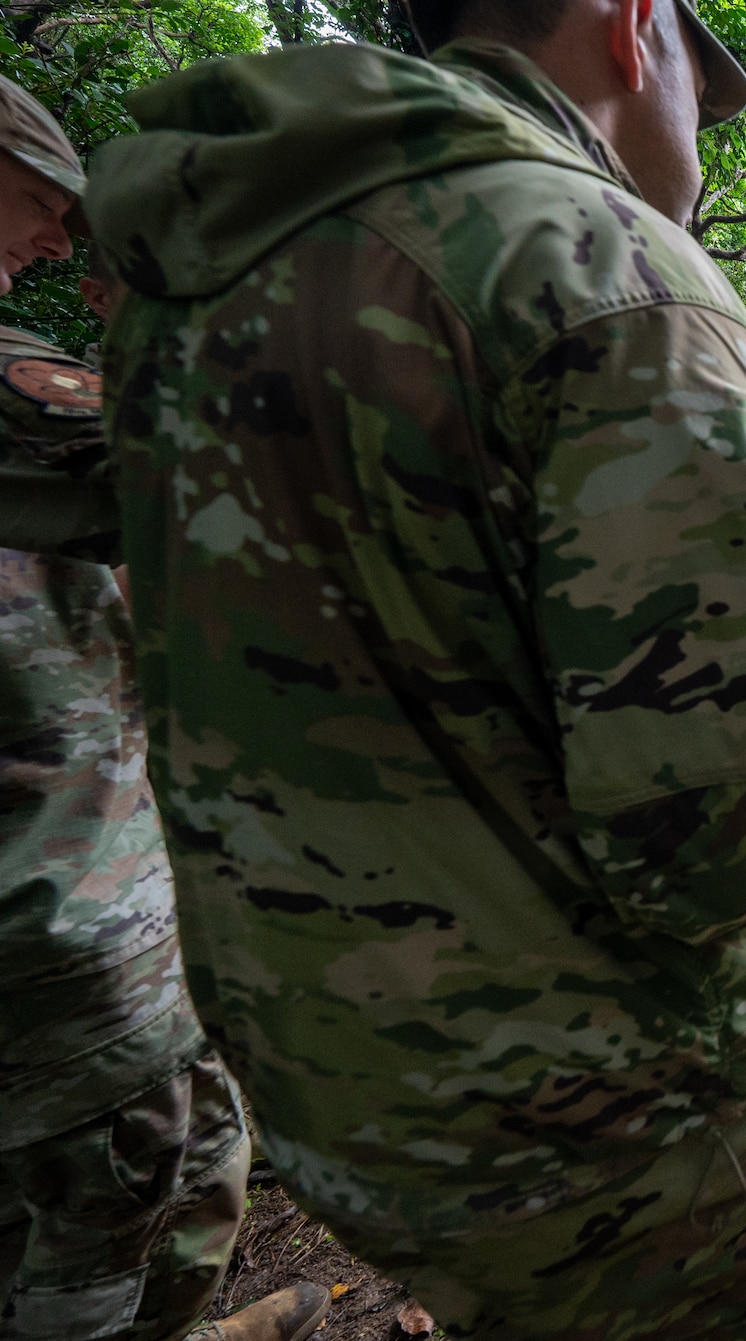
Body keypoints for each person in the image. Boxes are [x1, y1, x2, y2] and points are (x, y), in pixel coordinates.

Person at [75, 1, 746, 1335]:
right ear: (635, 26)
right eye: (709, 83)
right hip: (630, 1137)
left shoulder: (207, 268)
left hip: (347, 1088)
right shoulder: (610, 272)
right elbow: (721, 832)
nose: (706, 133)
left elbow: (400, 584)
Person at [0, 77, 326, 1341]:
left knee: (174, 1171)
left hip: (94, 872)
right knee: (104, 1209)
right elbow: (259, 480)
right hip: (59, 914)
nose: (52, 244)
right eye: (36, 202)